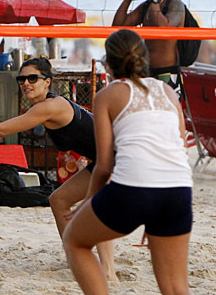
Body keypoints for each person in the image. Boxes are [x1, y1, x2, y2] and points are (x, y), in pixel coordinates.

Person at [0, 57, 117, 281]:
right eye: (22, 79)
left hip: (118, 156)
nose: (26, 83)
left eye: (32, 78)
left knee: (98, 206)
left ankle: (109, 271)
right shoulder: (43, 107)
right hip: (103, 158)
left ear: (47, 82)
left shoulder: (50, 106)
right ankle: (76, 255)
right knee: (58, 200)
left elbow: (0, 130)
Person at [63, 29, 193, 295]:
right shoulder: (168, 92)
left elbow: (104, 165)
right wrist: (156, 213)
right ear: (144, 59)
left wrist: (87, 203)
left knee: (75, 240)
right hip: (178, 191)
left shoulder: (108, 95)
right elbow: (180, 149)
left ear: (107, 65)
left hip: (134, 188)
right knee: (175, 287)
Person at [112, 0, 185, 93]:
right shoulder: (146, 7)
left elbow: (164, 29)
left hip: (167, 73)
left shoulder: (175, 5)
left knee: (166, 111)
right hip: (146, 72)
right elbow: (118, 26)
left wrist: (154, 1)